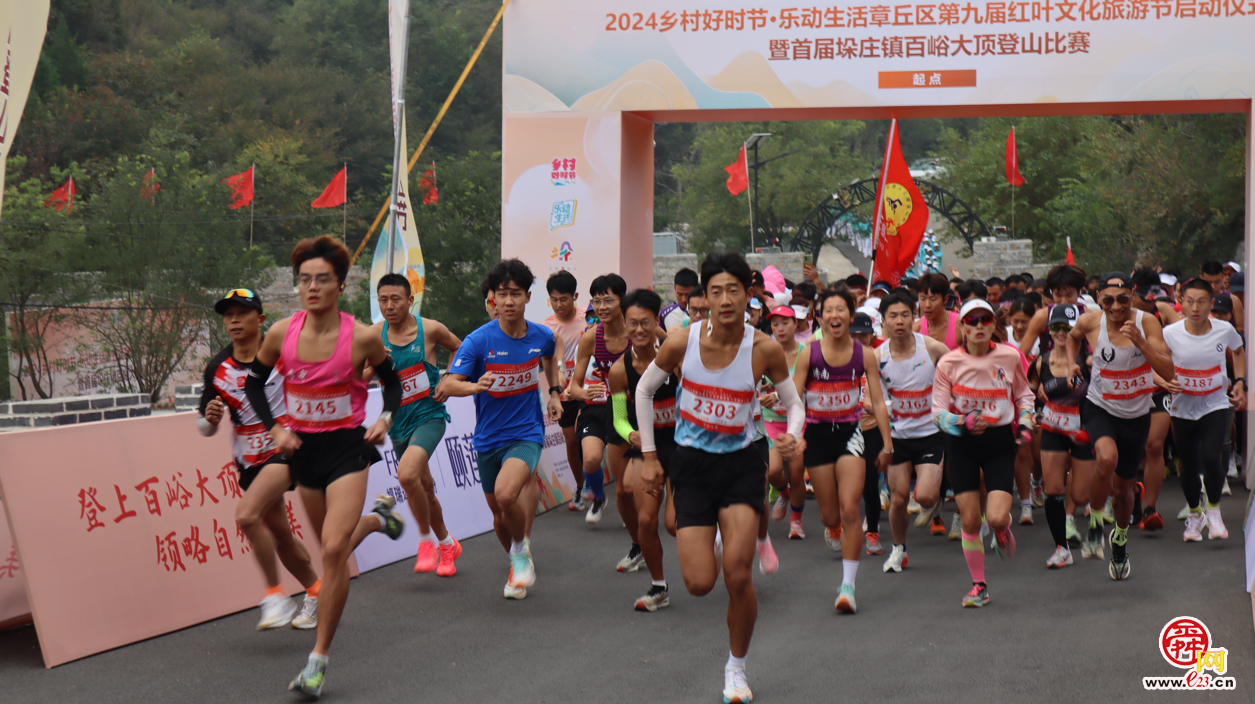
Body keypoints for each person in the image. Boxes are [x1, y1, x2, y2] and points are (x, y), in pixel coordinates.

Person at [635, 252, 803, 704]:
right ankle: (710, 537)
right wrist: (651, 456)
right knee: (698, 583)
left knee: (738, 576)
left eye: (734, 290)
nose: (725, 299)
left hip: (742, 465)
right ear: (701, 297)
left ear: (748, 294)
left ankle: (736, 668)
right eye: (716, 291)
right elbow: (644, 389)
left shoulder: (763, 347)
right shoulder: (681, 342)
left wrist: (791, 437)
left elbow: (794, 403)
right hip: (691, 466)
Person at [245, 236, 406, 697]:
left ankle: (317, 661)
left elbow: (391, 384)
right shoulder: (280, 333)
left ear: (339, 285)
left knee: (335, 550)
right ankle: (379, 518)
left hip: (347, 450)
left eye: (322, 279)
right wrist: (276, 425)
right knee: (329, 551)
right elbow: (254, 385)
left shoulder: (362, 336)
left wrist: (385, 417)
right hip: (304, 453)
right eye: (304, 280)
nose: (311, 287)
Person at [198, 288, 321, 631]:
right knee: (280, 533)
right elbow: (205, 427)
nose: (234, 320)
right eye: (228, 315)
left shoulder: (284, 352)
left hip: (287, 449)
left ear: (260, 319)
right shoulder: (217, 368)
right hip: (248, 460)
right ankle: (316, 589)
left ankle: (275, 595)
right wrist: (209, 419)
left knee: (247, 515)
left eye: (242, 313)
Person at [444, 258, 564, 599]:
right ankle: (517, 554)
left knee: (507, 493)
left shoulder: (541, 335)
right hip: (488, 439)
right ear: (491, 299)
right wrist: (474, 386)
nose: (508, 301)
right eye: (501, 294)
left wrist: (554, 392)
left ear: (527, 297)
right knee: (498, 517)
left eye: (515, 294)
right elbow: (451, 384)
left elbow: (550, 358)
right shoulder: (479, 341)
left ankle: (521, 553)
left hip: (526, 432)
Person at [1066, 271, 1175, 581]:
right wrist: (1072, 361)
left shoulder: (1147, 323)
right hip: (1100, 407)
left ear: (1133, 296)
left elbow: (1168, 370)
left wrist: (1141, 342)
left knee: (1124, 489)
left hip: (1136, 413)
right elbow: (1073, 337)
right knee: (1105, 458)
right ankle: (1097, 520)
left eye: (1123, 299)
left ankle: (1120, 540)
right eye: (1108, 300)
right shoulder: (1090, 322)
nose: (1116, 306)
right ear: (1099, 299)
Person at [793, 288, 893, 614]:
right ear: (819, 317)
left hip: (851, 434)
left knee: (851, 510)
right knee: (831, 515)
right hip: (818, 437)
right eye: (828, 311)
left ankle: (848, 586)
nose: (835, 316)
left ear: (851, 315)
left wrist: (888, 443)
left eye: (841, 310)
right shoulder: (810, 353)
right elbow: (794, 398)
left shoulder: (864, 355)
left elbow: (877, 400)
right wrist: (797, 434)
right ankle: (832, 526)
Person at [932, 299, 1035, 607]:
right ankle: (979, 585)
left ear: (993, 325)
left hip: (999, 441)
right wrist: (959, 421)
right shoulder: (948, 362)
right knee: (971, 520)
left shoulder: (1010, 356)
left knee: (997, 516)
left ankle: (1002, 531)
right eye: (971, 321)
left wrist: (1026, 423)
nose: (978, 326)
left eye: (984, 320)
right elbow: (937, 411)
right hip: (962, 443)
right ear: (962, 328)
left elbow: (1024, 394)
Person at [371, 273, 464, 576]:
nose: (389, 305)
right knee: (423, 487)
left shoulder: (431, 329)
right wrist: (373, 364)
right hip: (397, 421)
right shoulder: (373, 336)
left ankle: (425, 541)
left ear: (410, 300)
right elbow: (355, 377)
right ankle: (448, 544)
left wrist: (449, 378)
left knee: (406, 474)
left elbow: (461, 350)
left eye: (395, 299)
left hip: (429, 415)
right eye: (383, 299)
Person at [610, 288, 680, 611]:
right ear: (624, 324)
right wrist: (632, 435)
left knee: (673, 523)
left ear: (656, 323)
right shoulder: (619, 371)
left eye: (646, 323)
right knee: (646, 522)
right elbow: (620, 419)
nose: (638, 330)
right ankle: (659, 586)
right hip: (647, 448)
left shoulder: (675, 356)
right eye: (632, 323)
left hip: (681, 444)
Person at [1161, 279, 1247, 541]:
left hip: (1215, 404)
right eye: (1189, 302)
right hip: (1182, 408)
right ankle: (1194, 516)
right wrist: (1164, 381)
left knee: (1211, 457)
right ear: (1182, 304)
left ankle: (1214, 511)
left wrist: (1241, 381)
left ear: (1211, 303)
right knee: (1188, 466)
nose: (1195, 308)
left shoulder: (1224, 329)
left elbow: (1239, 351)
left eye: (1201, 302)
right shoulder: (1171, 333)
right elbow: (1159, 364)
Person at [877, 292, 949, 573]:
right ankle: (898, 549)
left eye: (905, 315)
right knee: (897, 499)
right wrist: (881, 407)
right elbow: (870, 398)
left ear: (914, 316)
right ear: (883, 321)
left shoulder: (932, 348)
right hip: (896, 437)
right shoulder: (877, 357)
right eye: (892, 316)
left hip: (930, 433)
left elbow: (957, 373)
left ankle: (936, 499)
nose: (899, 321)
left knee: (926, 497)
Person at [570, 274, 639, 566]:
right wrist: (585, 391)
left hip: (638, 408)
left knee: (632, 484)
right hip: (603, 408)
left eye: (608, 299)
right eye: (596, 300)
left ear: (622, 300)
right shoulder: (591, 337)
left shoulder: (639, 331)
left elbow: (670, 353)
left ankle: (640, 525)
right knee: (593, 464)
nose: (601, 306)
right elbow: (572, 385)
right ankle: (599, 497)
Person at [1033, 304, 1094, 568]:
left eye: (1067, 328)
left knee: (1080, 496)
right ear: (1049, 330)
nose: (1061, 332)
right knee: (1054, 490)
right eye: (1056, 327)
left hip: (1083, 432)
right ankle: (1062, 548)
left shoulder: (1088, 362)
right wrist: (1036, 405)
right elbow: (1031, 391)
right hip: (1053, 431)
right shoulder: (1041, 362)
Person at [1130, 268, 1180, 531]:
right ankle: (1132, 493)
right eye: (1143, 298)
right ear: (1131, 292)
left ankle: (1151, 508)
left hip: (1159, 389)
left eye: (1153, 297)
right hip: (1128, 389)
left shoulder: (1163, 311)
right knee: (1127, 451)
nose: (1149, 303)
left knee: (1154, 446)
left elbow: (1181, 341)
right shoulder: (1118, 315)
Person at [760, 306, 809, 539]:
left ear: (796, 324)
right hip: (771, 421)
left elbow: (800, 387)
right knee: (773, 472)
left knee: (797, 473)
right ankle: (783, 492)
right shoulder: (765, 351)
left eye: (785, 323)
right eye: (775, 324)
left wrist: (777, 395)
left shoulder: (805, 353)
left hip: (797, 421)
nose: (780, 328)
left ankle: (796, 521)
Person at [542, 270, 588, 511]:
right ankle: (581, 487)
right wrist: (557, 391)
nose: (559, 304)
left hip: (589, 389)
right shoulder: (546, 328)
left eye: (564, 299)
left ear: (575, 296)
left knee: (585, 436)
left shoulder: (589, 319)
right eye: (554, 299)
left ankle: (593, 481)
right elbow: (548, 363)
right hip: (564, 394)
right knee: (571, 442)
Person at [915, 273, 961, 350]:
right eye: (923, 299)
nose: (927, 305)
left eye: (933, 299)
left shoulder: (960, 325)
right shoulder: (916, 329)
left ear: (945, 299)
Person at [1202, 261, 1244, 333]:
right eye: (1209, 282)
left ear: (1223, 277)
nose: (1213, 286)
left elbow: (1241, 328)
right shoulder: (1195, 301)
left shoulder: (1234, 301)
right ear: (1201, 278)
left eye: (1217, 282)